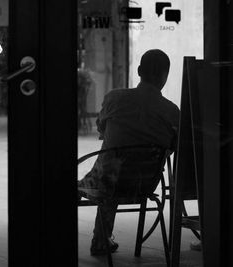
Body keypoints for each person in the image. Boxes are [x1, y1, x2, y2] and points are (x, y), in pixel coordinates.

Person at [78, 49, 180, 256]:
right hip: (144, 184)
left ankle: (100, 240)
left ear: (139, 70)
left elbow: (102, 130)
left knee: (111, 169)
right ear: (165, 76)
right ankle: (101, 240)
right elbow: (175, 144)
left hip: (107, 181)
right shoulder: (171, 111)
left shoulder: (114, 98)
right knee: (117, 170)